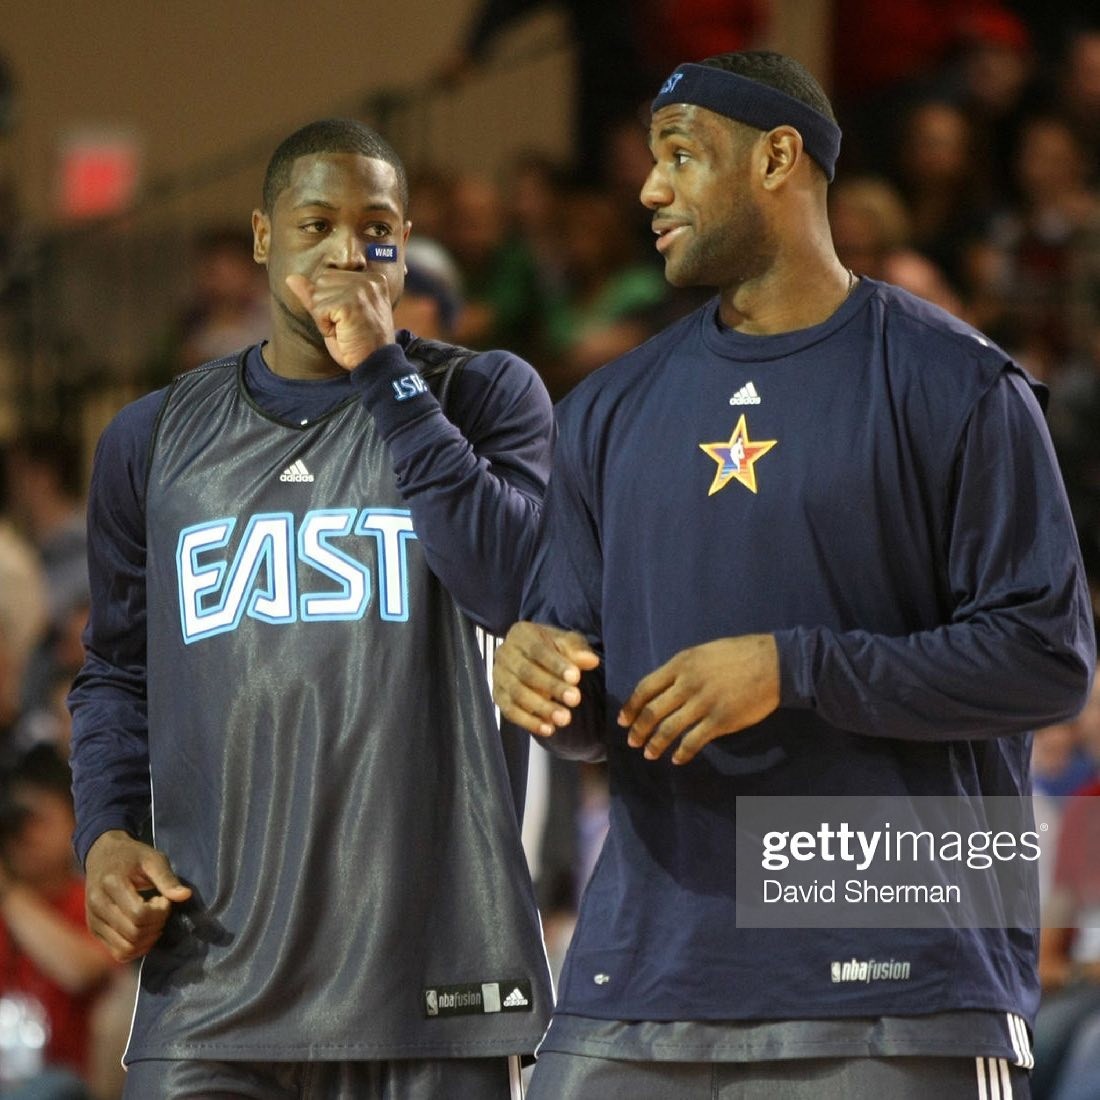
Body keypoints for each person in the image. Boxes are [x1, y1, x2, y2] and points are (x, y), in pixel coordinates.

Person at [492, 51, 1097, 1098]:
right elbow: (594, 707)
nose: (650, 188)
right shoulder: (604, 409)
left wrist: (793, 667)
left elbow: (1047, 658)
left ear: (777, 158)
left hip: (895, 970)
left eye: (681, 156)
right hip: (642, 968)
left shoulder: (957, 382)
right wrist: (540, 677)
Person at [67, 118, 555, 1100]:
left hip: (432, 984)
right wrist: (107, 832)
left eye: (375, 229)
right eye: (316, 223)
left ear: (403, 242)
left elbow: (512, 586)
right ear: (263, 237)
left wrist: (383, 371)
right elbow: (117, 671)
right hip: (212, 985)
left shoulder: (483, 396)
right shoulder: (151, 439)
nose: (345, 250)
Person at [0, 744, 116, 1099]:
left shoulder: (92, 898)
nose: (28, 835)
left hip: (66, 1081)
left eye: (41, 820)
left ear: (74, 822)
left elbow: (81, 971)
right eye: (19, 822)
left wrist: (9, 894)